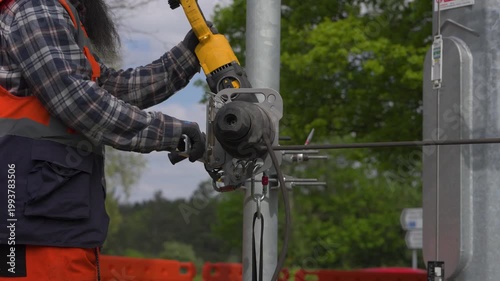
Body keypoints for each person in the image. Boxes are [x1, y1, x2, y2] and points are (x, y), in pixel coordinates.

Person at [0, 0, 206, 279]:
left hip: (52, 222)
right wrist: (171, 132)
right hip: (35, 231)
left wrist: (187, 58)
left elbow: (110, 89)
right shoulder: (38, 8)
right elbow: (78, 101)